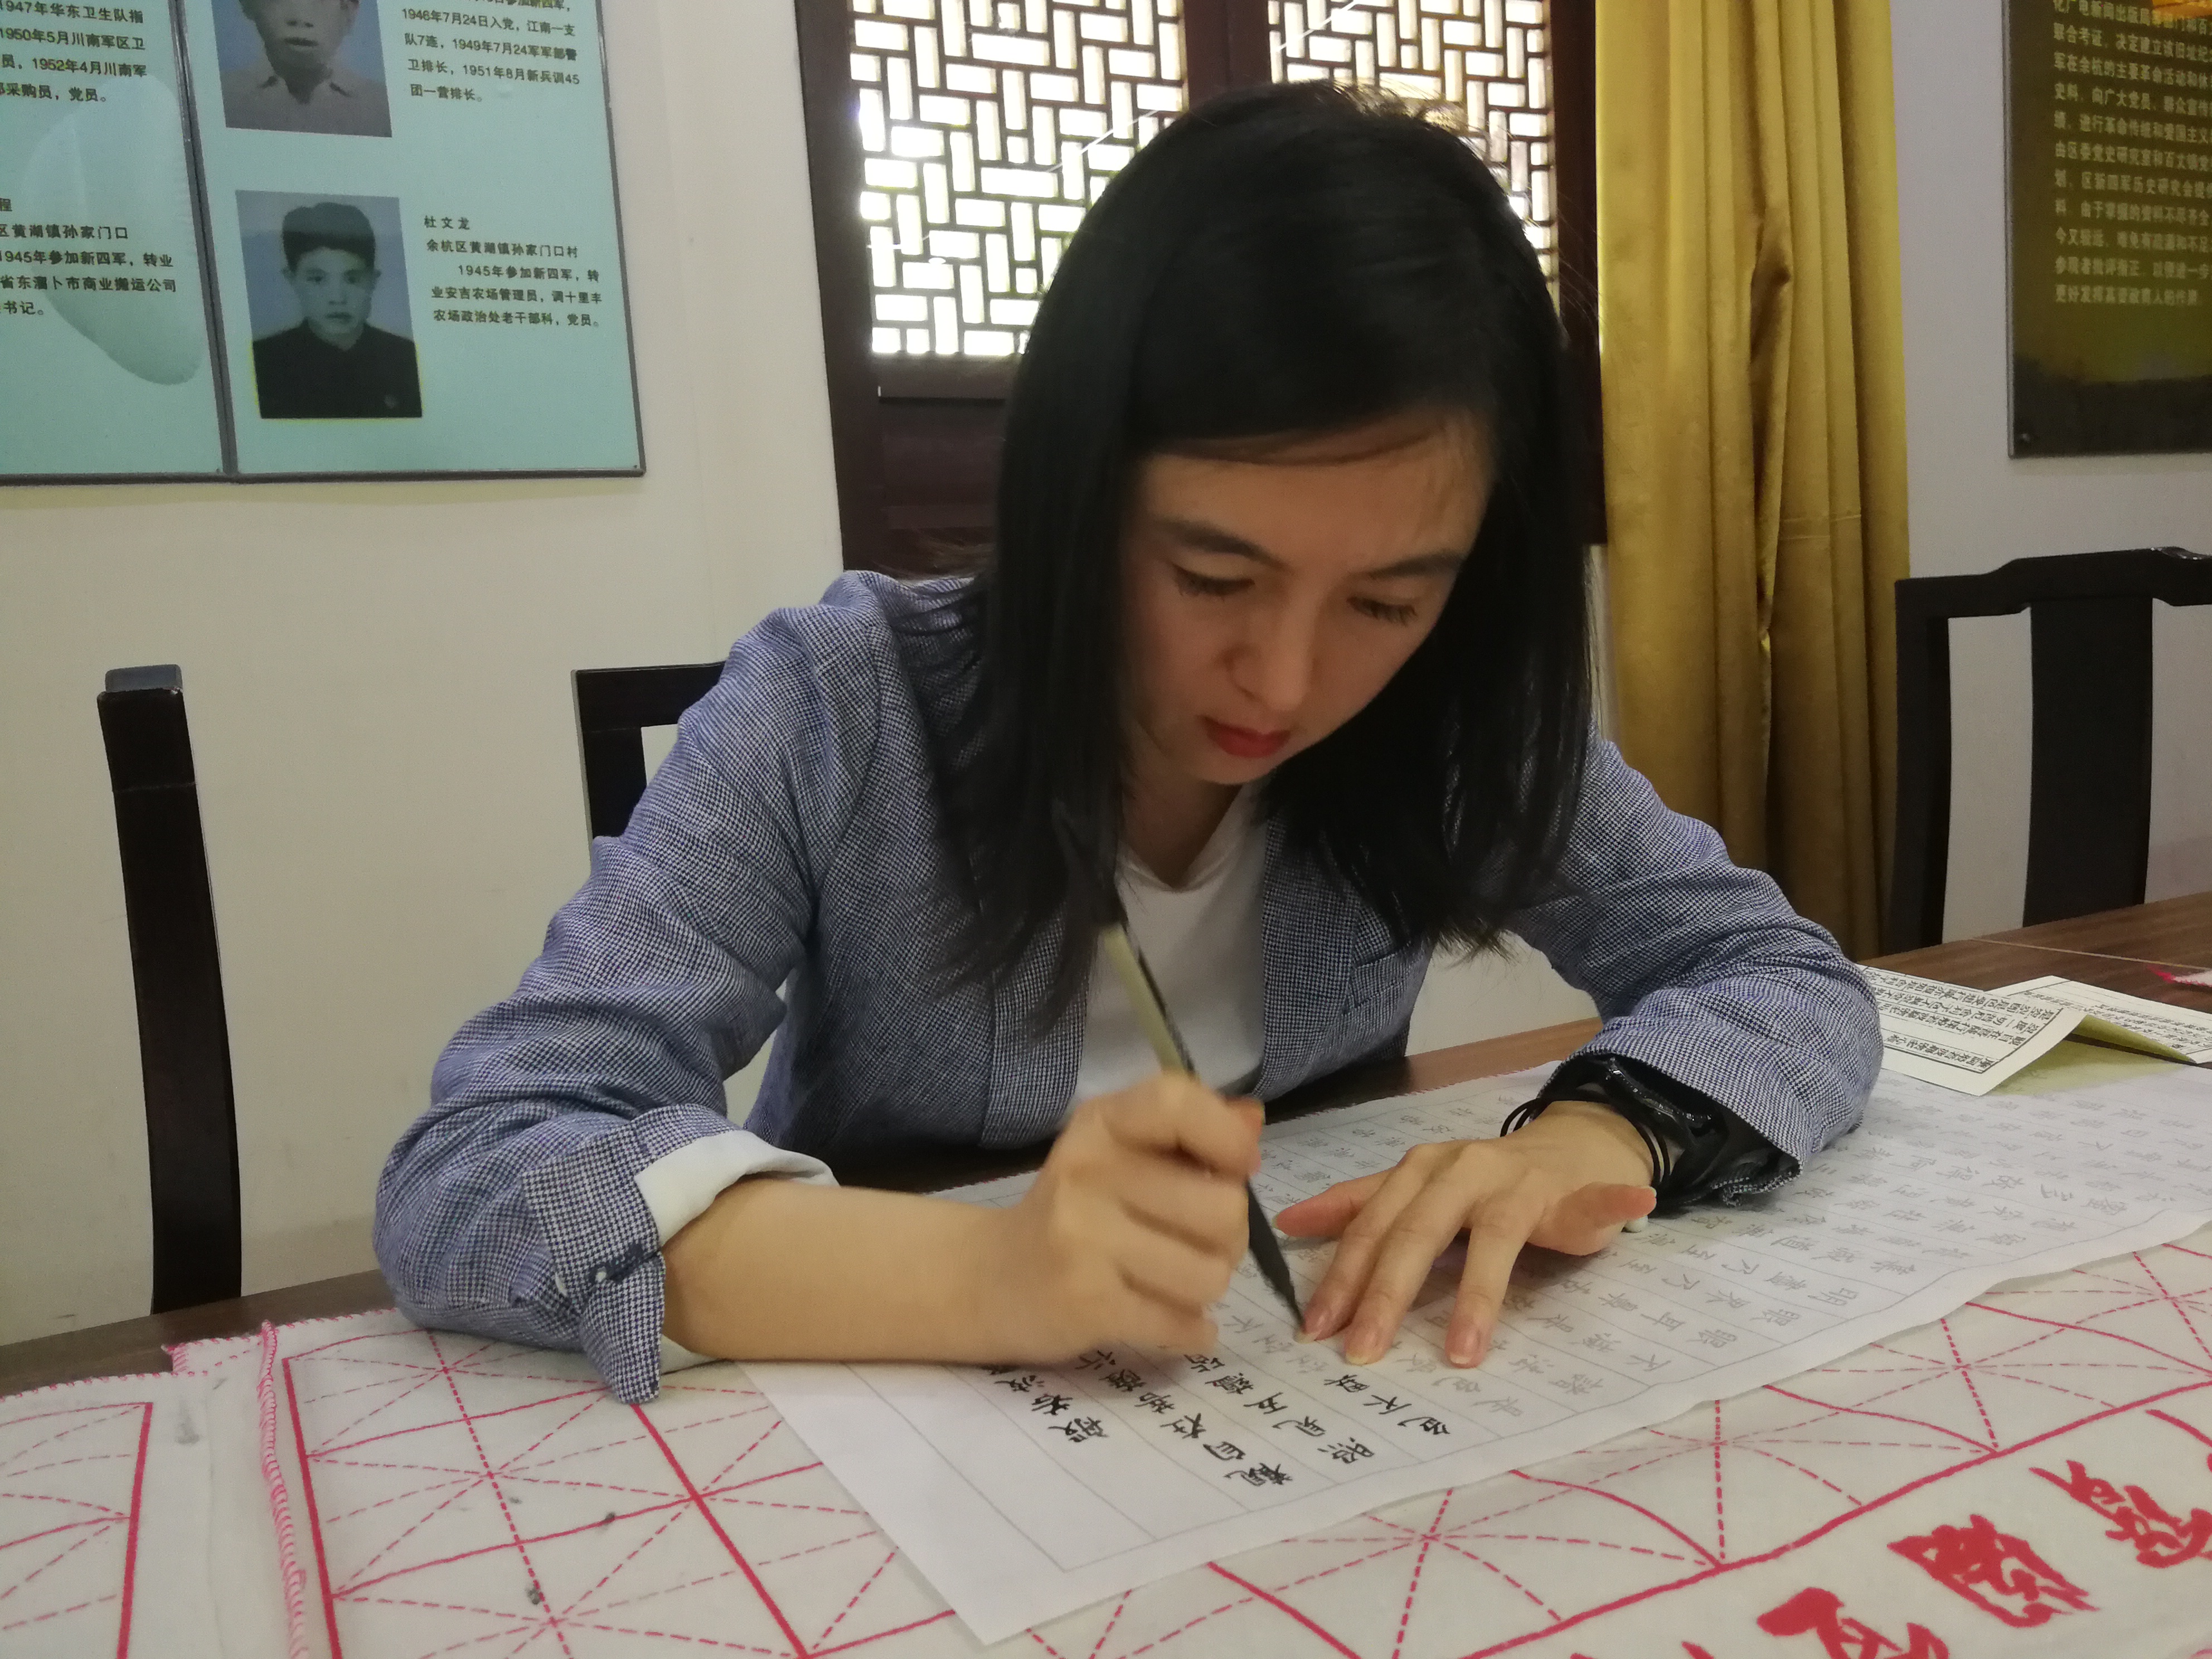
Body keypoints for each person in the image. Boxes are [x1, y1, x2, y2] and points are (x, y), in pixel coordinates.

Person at [376, 84, 1880, 1406]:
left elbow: (1778, 977)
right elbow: (479, 1164)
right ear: (1077, 495)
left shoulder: (1438, 725)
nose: (1282, 678)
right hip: (898, 1444)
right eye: (1212, 575)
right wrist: (982, 1275)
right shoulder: (840, 709)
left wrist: (1594, 1134)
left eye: (1385, 600)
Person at [251, 202, 421, 420]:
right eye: (317, 279)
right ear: (292, 279)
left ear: (373, 281)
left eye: (352, 279)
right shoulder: (264, 361)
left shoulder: (406, 358)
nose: (337, 298)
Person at [221, 0, 391, 138]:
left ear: (350, 11)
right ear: (248, 4)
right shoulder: (223, 97)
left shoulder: (384, 110)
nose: (301, 18)